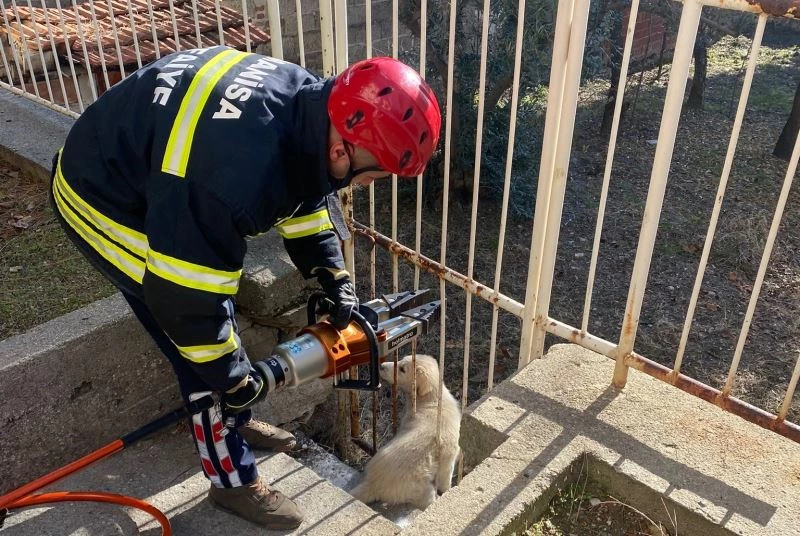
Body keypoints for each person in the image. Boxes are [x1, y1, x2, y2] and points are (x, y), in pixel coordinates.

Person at [49, 46, 441, 530]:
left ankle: (233, 414)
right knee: (202, 351)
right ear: (343, 150)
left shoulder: (311, 106)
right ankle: (231, 479)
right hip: (100, 199)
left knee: (217, 335)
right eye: (375, 173)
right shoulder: (231, 179)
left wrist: (329, 273)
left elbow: (303, 184)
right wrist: (231, 378)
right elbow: (187, 300)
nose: (370, 183)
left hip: (158, 171)